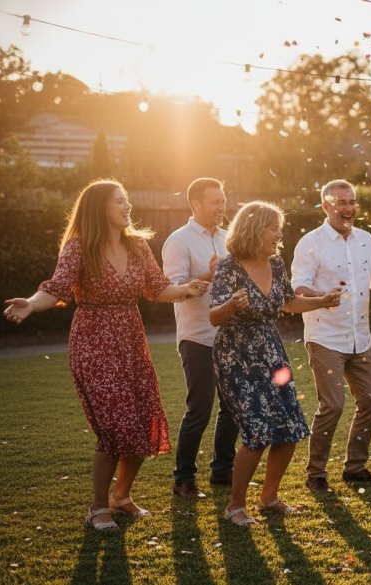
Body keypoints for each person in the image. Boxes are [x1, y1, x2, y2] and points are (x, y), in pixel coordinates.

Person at [3, 179, 208, 532]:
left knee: (142, 422)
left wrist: (187, 289)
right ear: (99, 208)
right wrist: (31, 305)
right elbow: (56, 288)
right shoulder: (79, 247)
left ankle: (121, 497)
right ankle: (98, 507)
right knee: (116, 426)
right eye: (119, 201)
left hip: (130, 339)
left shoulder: (138, 246)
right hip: (94, 341)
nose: (127, 206)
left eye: (127, 199)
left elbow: (158, 288)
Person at [209, 201, 341, 526]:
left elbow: (288, 302)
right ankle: (235, 507)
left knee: (289, 428)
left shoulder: (277, 263)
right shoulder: (229, 267)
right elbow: (214, 316)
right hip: (237, 358)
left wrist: (321, 300)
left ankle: (268, 498)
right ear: (255, 229)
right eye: (274, 227)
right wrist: (230, 305)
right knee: (257, 431)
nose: (279, 234)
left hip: (272, 355)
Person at [291, 180, 371, 492]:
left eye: (352, 202)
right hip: (324, 336)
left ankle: (355, 467)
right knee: (333, 405)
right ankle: (316, 473)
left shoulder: (366, 240)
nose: (348, 208)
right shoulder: (310, 243)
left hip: (360, 339)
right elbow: (298, 286)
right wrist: (320, 296)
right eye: (341, 202)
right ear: (326, 206)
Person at [162, 177, 241, 499]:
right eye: (215, 202)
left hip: (231, 334)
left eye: (223, 200)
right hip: (196, 336)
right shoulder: (178, 241)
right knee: (200, 408)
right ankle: (183, 478)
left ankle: (223, 471)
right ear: (195, 204)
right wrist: (209, 275)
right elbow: (173, 290)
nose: (222, 207)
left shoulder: (229, 238)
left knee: (233, 406)